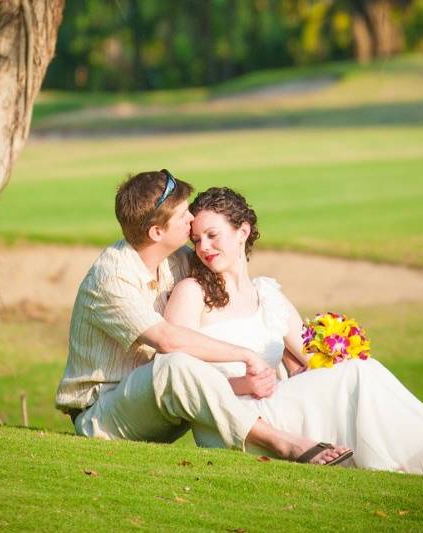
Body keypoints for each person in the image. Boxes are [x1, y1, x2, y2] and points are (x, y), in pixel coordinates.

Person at [163, 186, 423, 487]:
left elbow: (311, 361)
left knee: (359, 369)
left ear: (242, 231)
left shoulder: (268, 295)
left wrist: (337, 350)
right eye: (197, 240)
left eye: (213, 235)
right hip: (237, 420)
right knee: (360, 375)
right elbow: (178, 375)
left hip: (280, 407)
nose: (204, 248)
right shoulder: (192, 292)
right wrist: (246, 384)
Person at [55, 170, 352, 465]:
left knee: (180, 363)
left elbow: (238, 302)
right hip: (106, 415)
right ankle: (282, 443)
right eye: (184, 214)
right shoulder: (111, 278)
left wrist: (287, 354)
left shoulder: (178, 259)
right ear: (157, 232)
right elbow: (168, 340)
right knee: (175, 362)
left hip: (163, 402)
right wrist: (246, 355)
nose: (191, 219)